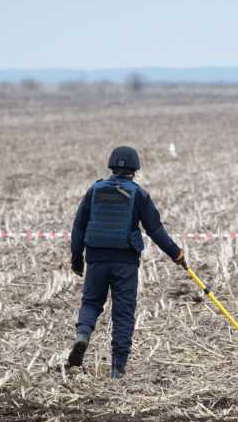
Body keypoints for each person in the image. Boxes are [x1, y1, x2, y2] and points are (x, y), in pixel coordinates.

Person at [66, 146, 185, 378]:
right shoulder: (138, 194)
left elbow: (79, 225)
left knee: (91, 303)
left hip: (96, 258)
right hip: (125, 263)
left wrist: (76, 257)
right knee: (123, 313)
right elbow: (155, 230)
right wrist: (175, 253)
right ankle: (117, 367)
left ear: (111, 166)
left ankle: (82, 336)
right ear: (135, 169)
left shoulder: (95, 190)